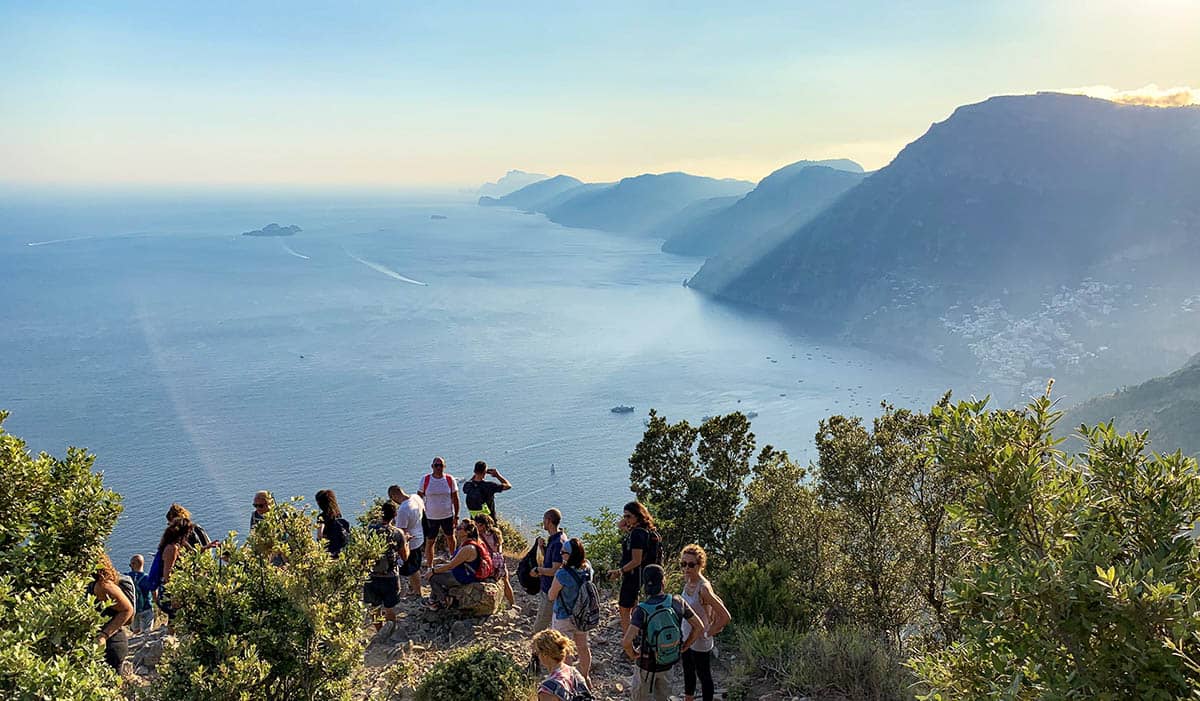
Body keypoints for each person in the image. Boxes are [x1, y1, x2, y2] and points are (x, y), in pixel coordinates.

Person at [622, 564, 702, 701]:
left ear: (645, 585)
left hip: (646, 666)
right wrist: (686, 645)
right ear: (663, 582)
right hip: (668, 662)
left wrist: (633, 654)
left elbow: (626, 642)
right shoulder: (677, 602)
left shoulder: (642, 610)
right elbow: (699, 626)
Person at [678, 544, 731, 701]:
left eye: (691, 564)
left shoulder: (703, 588)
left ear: (700, 565)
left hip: (700, 639)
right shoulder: (688, 581)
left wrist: (708, 632)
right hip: (686, 634)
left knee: (703, 675)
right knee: (688, 671)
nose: (687, 568)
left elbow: (725, 616)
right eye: (683, 564)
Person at [608, 501, 662, 633]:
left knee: (624, 608)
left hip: (632, 576)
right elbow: (620, 525)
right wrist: (627, 521)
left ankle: (628, 640)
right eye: (624, 516)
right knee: (634, 606)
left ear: (638, 516)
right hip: (641, 576)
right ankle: (636, 634)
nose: (625, 519)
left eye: (628, 516)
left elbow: (636, 560)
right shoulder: (645, 530)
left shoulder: (637, 534)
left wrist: (619, 571)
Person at [547, 537, 593, 682]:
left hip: (564, 616)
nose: (561, 554)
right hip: (582, 614)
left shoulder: (562, 574)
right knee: (583, 647)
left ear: (570, 555)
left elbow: (551, 595)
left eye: (563, 552)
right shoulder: (588, 569)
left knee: (565, 650)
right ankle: (585, 677)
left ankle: (570, 682)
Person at [364, 501, 407, 631]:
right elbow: (405, 557)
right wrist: (407, 543)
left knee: (375, 608)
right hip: (390, 576)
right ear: (395, 515)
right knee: (389, 608)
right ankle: (390, 631)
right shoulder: (397, 533)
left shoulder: (371, 529)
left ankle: (379, 632)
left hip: (371, 575)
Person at [426, 519, 485, 610]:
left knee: (433, 577)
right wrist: (434, 569)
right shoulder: (464, 543)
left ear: (467, 532)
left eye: (459, 528)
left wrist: (432, 571)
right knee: (436, 569)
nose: (456, 529)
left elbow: (451, 565)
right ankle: (433, 600)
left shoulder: (468, 548)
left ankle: (445, 600)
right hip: (461, 571)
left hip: (465, 577)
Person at [90, 552, 134, 672]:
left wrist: (103, 635)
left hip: (110, 646)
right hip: (100, 646)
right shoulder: (89, 584)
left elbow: (127, 609)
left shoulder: (102, 586)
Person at [417, 457, 459, 568]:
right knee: (430, 541)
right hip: (430, 517)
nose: (439, 467)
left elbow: (455, 498)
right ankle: (430, 566)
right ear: (432, 466)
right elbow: (418, 497)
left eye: (441, 465)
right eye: (436, 465)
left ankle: (453, 561)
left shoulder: (450, 479)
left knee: (450, 537)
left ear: (444, 467)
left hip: (448, 515)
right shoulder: (425, 480)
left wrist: (457, 515)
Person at [532, 628, 592, 701]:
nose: (537, 656)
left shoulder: (547, 691)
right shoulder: (572, 672)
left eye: (537, 652)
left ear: (545, 655)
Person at [532, 508, 566, 632]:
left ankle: (537, 650)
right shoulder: (558, 537)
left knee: (539, 628)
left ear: (548, 521)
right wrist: (542, 548)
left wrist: (538, 570)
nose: (543, 523)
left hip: (552, 589)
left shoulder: (557, 543)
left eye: (544, 520)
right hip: (550, 588)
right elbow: (552, 560)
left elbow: (555, 570)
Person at [388, 484, 426, 598]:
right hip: (419, 536)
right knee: (415, 567)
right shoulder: (416, 498)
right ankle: (415, 589)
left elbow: (401, 531)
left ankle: (417, 592)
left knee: (412, 569)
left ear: (394, 496)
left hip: (410, 542)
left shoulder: (403, 510)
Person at [158, 517, 195, 628]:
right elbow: (167, 574)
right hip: (172, 592)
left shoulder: (177, 545)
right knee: (174, 619)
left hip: (176, 590)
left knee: (176, 620)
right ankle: (170, 640)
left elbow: (194, 554)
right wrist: (175, 595)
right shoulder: (172, 549)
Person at [474, 513, 515, 607]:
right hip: (499, 562)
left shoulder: (478, 536)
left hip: (488, 563)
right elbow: (499, 548)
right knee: (506, 582)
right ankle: (512, 604)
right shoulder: (496, 533)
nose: (476, 527)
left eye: (478, 525)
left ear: (483, 525)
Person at [315, 489, 351, 557]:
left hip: (330, 550)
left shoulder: (321, 517)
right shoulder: (337, 514)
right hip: (340, 548)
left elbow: (320, 535)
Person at [126, 554, 156, 633]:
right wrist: (157, 603)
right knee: (147, 631)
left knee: (135, 631)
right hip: (146, 608)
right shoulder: (147, 578)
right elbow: (154, 591)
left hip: (133, 609)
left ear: (133, 564)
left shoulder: (127, 577)